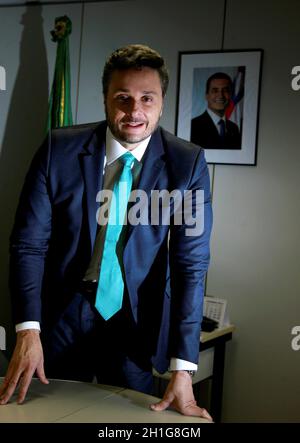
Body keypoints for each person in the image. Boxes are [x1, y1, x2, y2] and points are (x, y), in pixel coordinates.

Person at [0, 44, 213, 420]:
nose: (135, 111)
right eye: (122, 98)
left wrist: (184, 369)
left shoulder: (187, 164)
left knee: (130, 420)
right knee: (41, 414)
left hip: (134, 321)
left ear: (162, 102)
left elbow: (190, 267)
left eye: (147, 98)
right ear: (104, 99)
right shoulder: (58, 149)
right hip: (62, 313)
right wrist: (27, 330)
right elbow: (28, 245)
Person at [190, 72, 241, 149]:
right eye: (215, 90)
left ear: (230, 95)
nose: (220, 95)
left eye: (225, 90)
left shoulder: (234, 128)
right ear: (206, 96)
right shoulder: (194, 126)